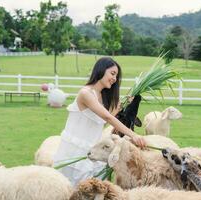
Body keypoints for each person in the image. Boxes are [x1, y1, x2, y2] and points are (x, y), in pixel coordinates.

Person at [53, 57, 146, 186]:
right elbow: (108, 118)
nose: (114, 79)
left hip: (94, 150)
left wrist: (119, 108)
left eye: (116, 76)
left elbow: (100, 121)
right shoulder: (86, 93)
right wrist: (134, 135)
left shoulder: (102, 96)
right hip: (75, 151)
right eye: (112, 73)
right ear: (101, 70)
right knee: (72, 190)